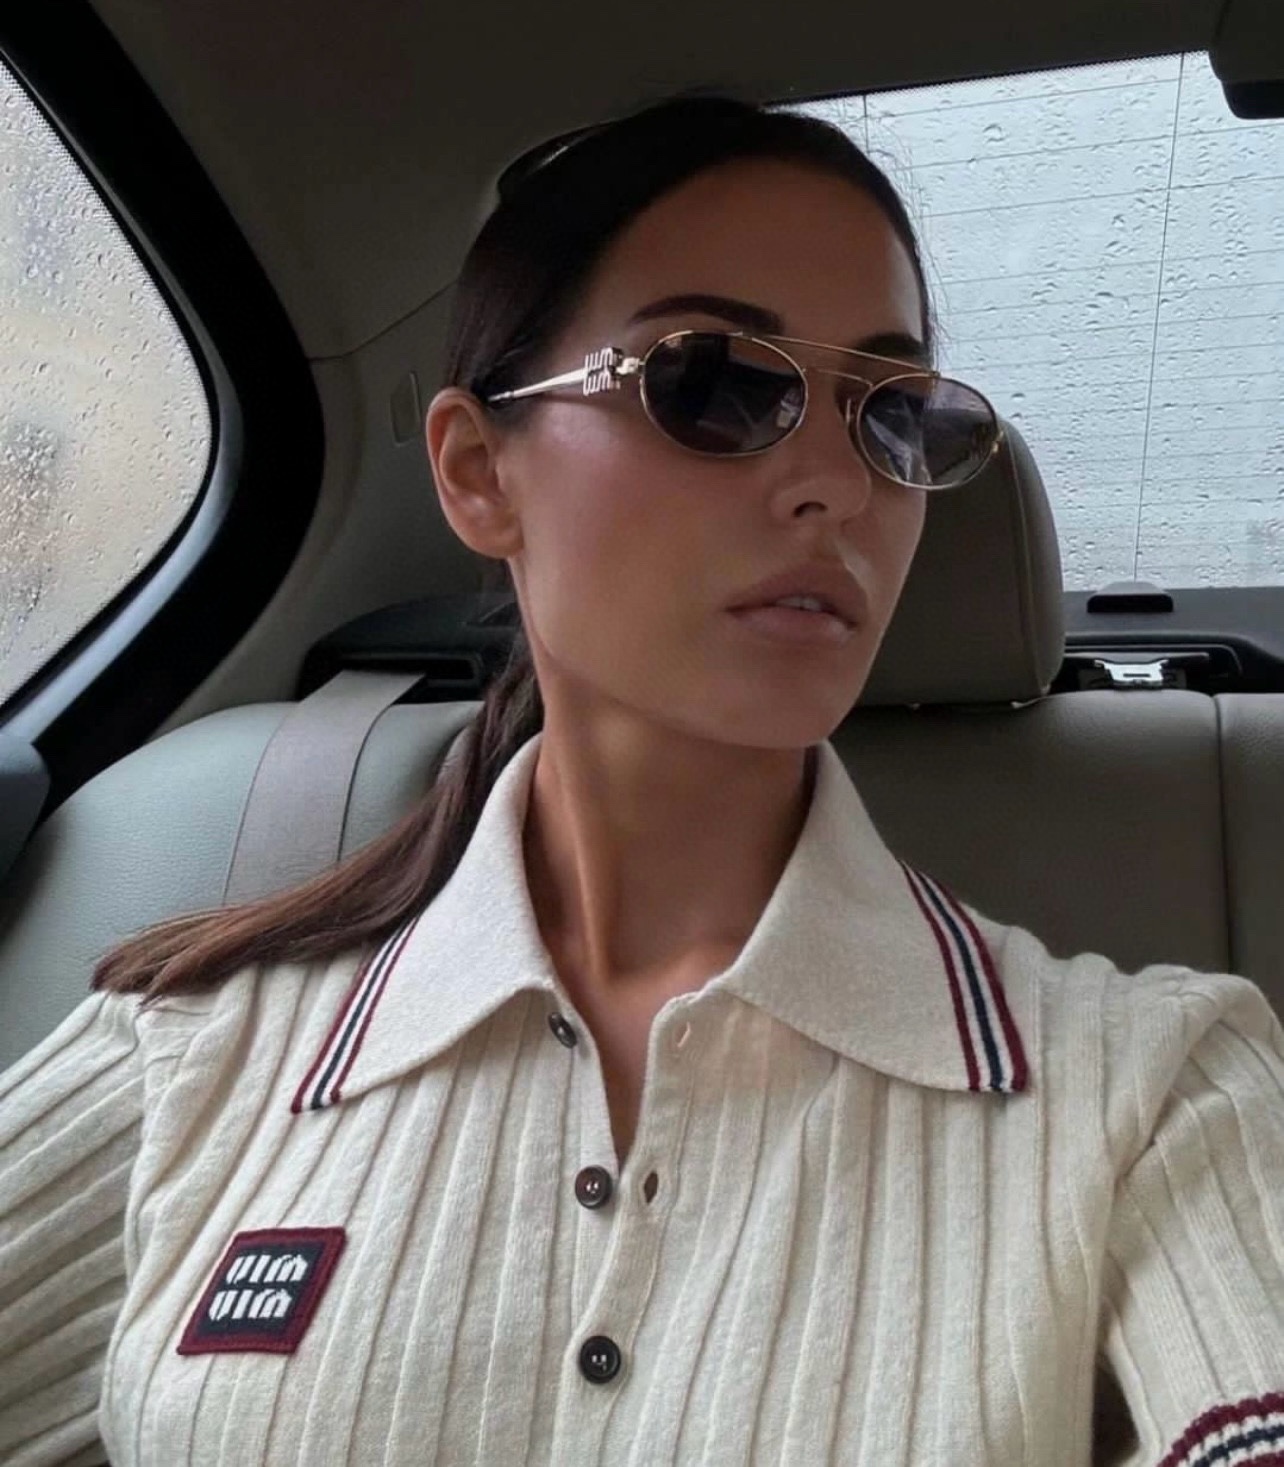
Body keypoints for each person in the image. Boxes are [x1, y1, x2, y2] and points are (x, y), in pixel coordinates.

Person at [2, 94, 1282, 1467]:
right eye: (713, 383)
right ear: (479, 473)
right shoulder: (194, 1057)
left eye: (894, 415)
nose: (836, 486)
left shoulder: (1153, 1092)